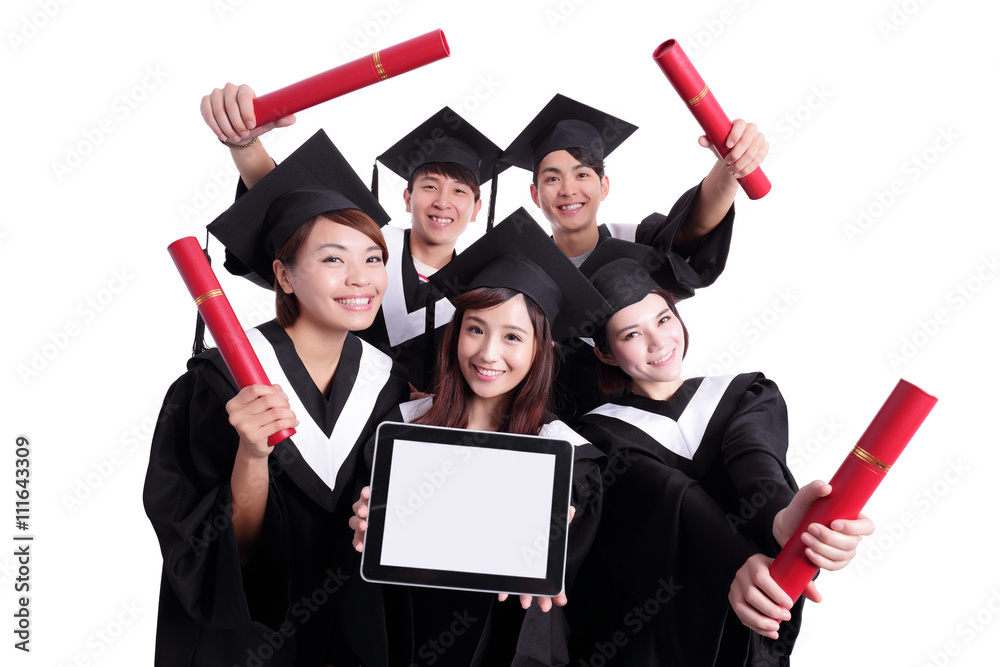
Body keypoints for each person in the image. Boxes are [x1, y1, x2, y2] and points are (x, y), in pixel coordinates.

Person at [143, 130, 409, 666]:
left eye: (374, 257)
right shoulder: (217, 386)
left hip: (356, 639)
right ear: (283, 275)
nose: (362, 278)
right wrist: (252, 456)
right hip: (251, 645)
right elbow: (222, 555)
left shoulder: (392, 386)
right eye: (333, 259)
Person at [566, 252, 874, 665]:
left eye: (663, 319)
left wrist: (782, 520)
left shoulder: (743, 394)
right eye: (630, 335)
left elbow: (754, 458)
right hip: (650, 641)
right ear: (605, 354)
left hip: (743, 637)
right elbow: (667, 492)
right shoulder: (597, 435)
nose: (659, 343)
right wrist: (737, 562)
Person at [350, 208, 610, 666]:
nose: (488, 353)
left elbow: (566, 566)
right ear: (455, 336)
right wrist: (364, 527)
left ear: (541, 350)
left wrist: (550, 547)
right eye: (475, 329)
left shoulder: (567, 455)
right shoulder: (405, 427)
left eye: (513, 337)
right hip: (404, 640)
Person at [201, 85, 505, 391]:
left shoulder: (483, 287)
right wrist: (247, 146)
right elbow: (291, 204)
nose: (443, 202)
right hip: (322, 409)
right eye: (429, 187)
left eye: (459, 191)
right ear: (407, 197)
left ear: (477, 208)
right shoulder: (358, 242)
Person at [501, 93, 767, 418]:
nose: (568, 189)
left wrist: (729, 168)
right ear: (535, 194)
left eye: (582, 174)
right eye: (552, 178)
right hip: (551, 427)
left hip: (643, 425)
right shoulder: (520, 271)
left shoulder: (636, 243)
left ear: (604, 186)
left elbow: (692, 230)